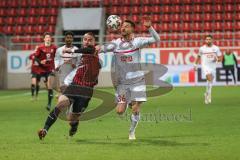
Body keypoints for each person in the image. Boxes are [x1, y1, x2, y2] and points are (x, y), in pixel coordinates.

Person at [97, 17, 160, 140]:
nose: (123, 28)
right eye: (122, 26)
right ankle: (127, 103)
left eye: (126, 26)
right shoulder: (115, 44)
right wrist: (96, 49)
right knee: (119, 111)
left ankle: (132, 131)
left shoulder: (138, 42)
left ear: (132, 29)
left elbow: (156, 39)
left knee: (136, 107)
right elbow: (101, 49)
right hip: (122, 84)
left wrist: (149, 28)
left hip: (137, 80)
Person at [38, 32, 101, 140]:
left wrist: (71, 50)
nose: (87, 41)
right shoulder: (80, 55)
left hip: (86, 91)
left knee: (72, 119)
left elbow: (89, 52)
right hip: (74, 86)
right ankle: (45, 130)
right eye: (85, 39)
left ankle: (74, 126)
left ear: (94, 42)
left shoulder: (94, 51)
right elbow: (76, 70)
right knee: (61, 104)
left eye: (90, 39)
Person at [194, 35, 222, 104]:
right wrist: (195, 64)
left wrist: (217, 59)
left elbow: (220, 59)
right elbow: (198, 56)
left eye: (209, 39)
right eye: (207, 39)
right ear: (205, 40)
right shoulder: (202, 48)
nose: (208, 40)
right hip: (205, 66)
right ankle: (209, 95)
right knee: (209, 78)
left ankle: (207, 93)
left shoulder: (216, 48)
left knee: (210, 81)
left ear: (212, 40)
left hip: (213, 66)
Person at [34, 32, 57, 111]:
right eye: (46, 37)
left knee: (49, 85)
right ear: (44, 39)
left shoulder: (54, 47)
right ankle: (49, 94)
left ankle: (49, 104)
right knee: (42, 84)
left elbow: (57, 57)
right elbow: (35, 58)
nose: (48, 38)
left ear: (51, 39)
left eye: (49, 37)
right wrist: (40, 62)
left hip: (50, 68)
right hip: (41, 69)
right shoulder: (40, 48)